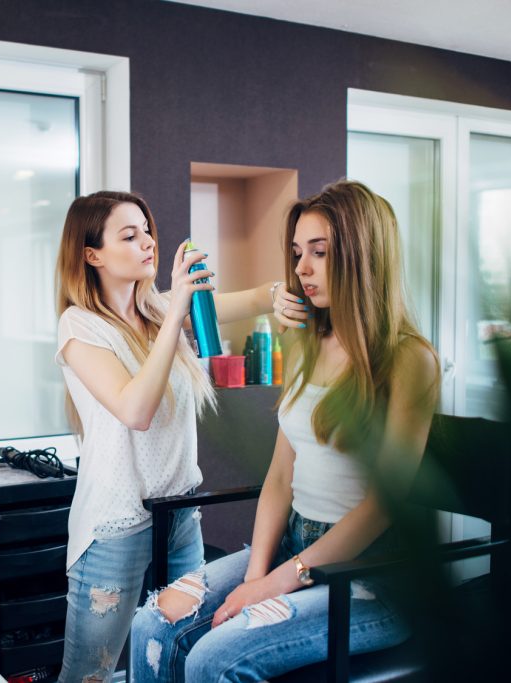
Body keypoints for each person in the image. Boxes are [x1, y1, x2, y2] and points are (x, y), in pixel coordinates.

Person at [129, 180, 440, 682]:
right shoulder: (307, 341)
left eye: (319, 252)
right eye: (298, 252)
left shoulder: (410, 360)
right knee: (153, 624)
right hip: (294, 547)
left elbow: (384, 503)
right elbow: (280, 474)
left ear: (365, 257)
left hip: (372, 579)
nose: (301, 268)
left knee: (213, 659)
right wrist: (254, 579)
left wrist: (274, 585)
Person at [54, 190, 305, 682]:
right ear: (91, 255)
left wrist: (277, 293)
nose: (148, 242)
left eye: (147, 229)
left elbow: (254, 298)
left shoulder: (159, 310)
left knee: (173, 656)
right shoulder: (79, 327)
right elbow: (136, 409)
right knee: (92, 675)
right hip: (115, 528)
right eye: (129, 235)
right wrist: (175, 312)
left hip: (180, 518)